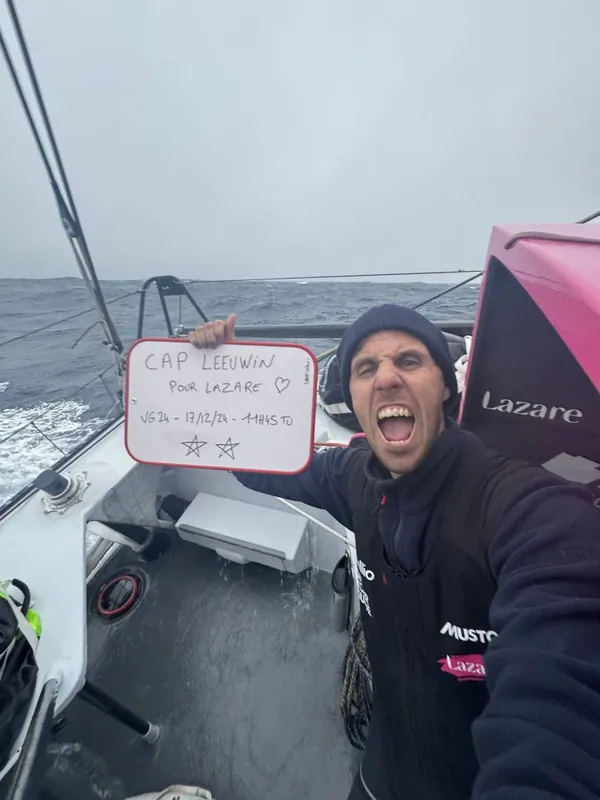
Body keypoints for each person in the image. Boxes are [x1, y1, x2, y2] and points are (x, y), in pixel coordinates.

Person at [190, 305, 600, 800]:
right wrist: (224, 375)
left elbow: (562, 706)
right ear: (354, 401)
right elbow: (254, 462)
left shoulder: (530, 510)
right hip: (382, 771)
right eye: (365, 368)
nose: (386, 378)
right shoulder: (352, 477)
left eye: (409, 361)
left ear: (445, 387)